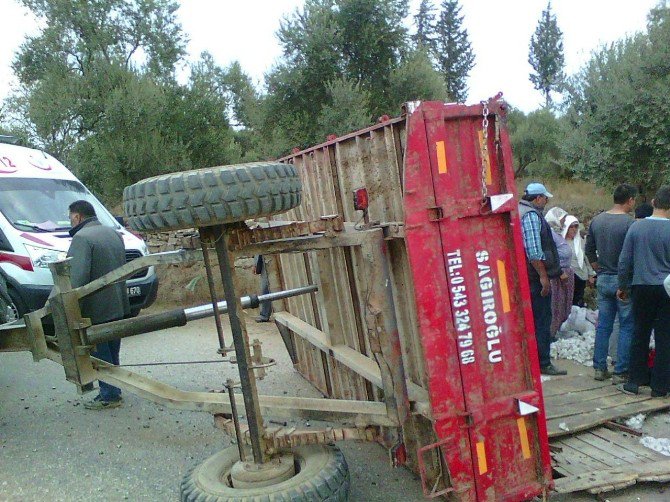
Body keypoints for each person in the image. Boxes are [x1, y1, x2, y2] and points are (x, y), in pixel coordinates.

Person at [67, 200, 130, 409]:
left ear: (77, 217)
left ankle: (109, 395)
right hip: (118, 303)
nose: (70, 221)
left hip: (97, 308)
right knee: (113, 351)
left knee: (100, 354)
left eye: (70, 217)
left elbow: (77, 278)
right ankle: (114, 388)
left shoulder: (82, 238)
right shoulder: (112, 233)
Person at [617, 186, 670, 397]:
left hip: (640, 286)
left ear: (654, 202)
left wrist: (623, 286)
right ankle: (660, 386)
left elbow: (624, 260)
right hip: (666, 289)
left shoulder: (636, 228)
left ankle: (634, 381)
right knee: (665, 337)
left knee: (640, 333)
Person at [585, 183, 637, 383]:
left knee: (603, 325)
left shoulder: (597, 221)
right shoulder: (629, 224)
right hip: (621, 280)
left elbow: (589, 249)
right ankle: (620, 370)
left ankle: (599, 367)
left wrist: (598, 268)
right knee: (626, 325)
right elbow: (631, 256)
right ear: (630, 200)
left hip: (603, 278)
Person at [519, 183, 567, 375]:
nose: (546, 202)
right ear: (538, 198)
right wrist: (543, 277)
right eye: (545, 198)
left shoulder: (520, 210)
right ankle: (543, 362)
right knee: (541, 320)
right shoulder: (531, 216)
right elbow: (533, 251)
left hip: (525, 276)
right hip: (534, 279)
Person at [545, 208, 575, 338]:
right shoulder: (548, 233)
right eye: (562, 218)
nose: (563, 221)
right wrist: (559, 271)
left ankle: (557, 331)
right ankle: (551, 333)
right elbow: (550, 254)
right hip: (557, 274)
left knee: (563, 305)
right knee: (556, 305)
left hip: (564, 272)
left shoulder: (556, 232)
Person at [563, 216, 595, 307]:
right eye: (571, 227)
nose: (574, 229)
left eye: (576, 227)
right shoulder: (561, 243)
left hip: (581, 275)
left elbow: (585, 258)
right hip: (568, 276)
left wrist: (590, 274)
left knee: (578, 299)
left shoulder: (580, 241)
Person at [254, 255, 272, 322]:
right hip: (265, 258)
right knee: (265, 288)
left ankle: (264, 315)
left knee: (266, 288)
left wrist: (256, 263)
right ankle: (264, 315)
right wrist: (256, 263)